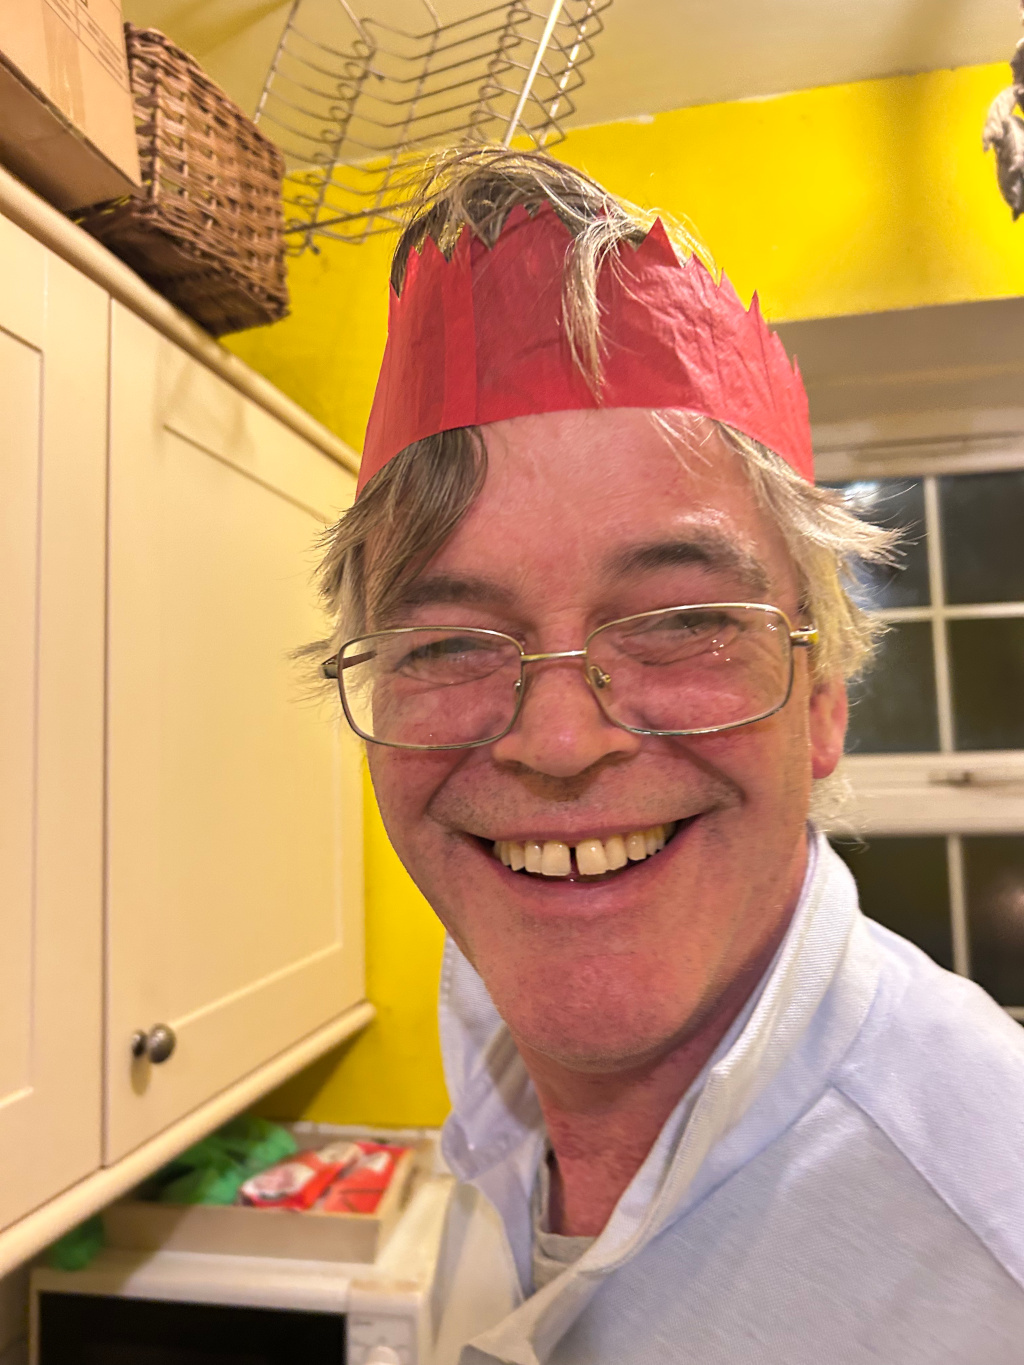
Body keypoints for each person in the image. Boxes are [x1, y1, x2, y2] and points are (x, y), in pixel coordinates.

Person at [316, 149, 1024, 1363]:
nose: (555, 740)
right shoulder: (493, 1090)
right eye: (447, 644)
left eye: (685, 622)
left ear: (822, 700)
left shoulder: (989, 1244)